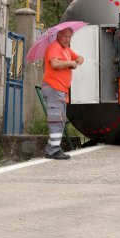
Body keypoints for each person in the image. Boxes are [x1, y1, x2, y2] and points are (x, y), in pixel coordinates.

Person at [41, 27, 84, 160]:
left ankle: (52, 148)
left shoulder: (66, 49)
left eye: (69, 37)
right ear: (58, 35)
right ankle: (54, 150)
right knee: (56, 119)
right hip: (54, 87)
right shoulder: (54, 47)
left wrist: (77, 61)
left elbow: (80, 58)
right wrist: (70, 63)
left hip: (61, 89)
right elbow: (54, 63)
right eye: (65, 36)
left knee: (59, 118)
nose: (67, 39)